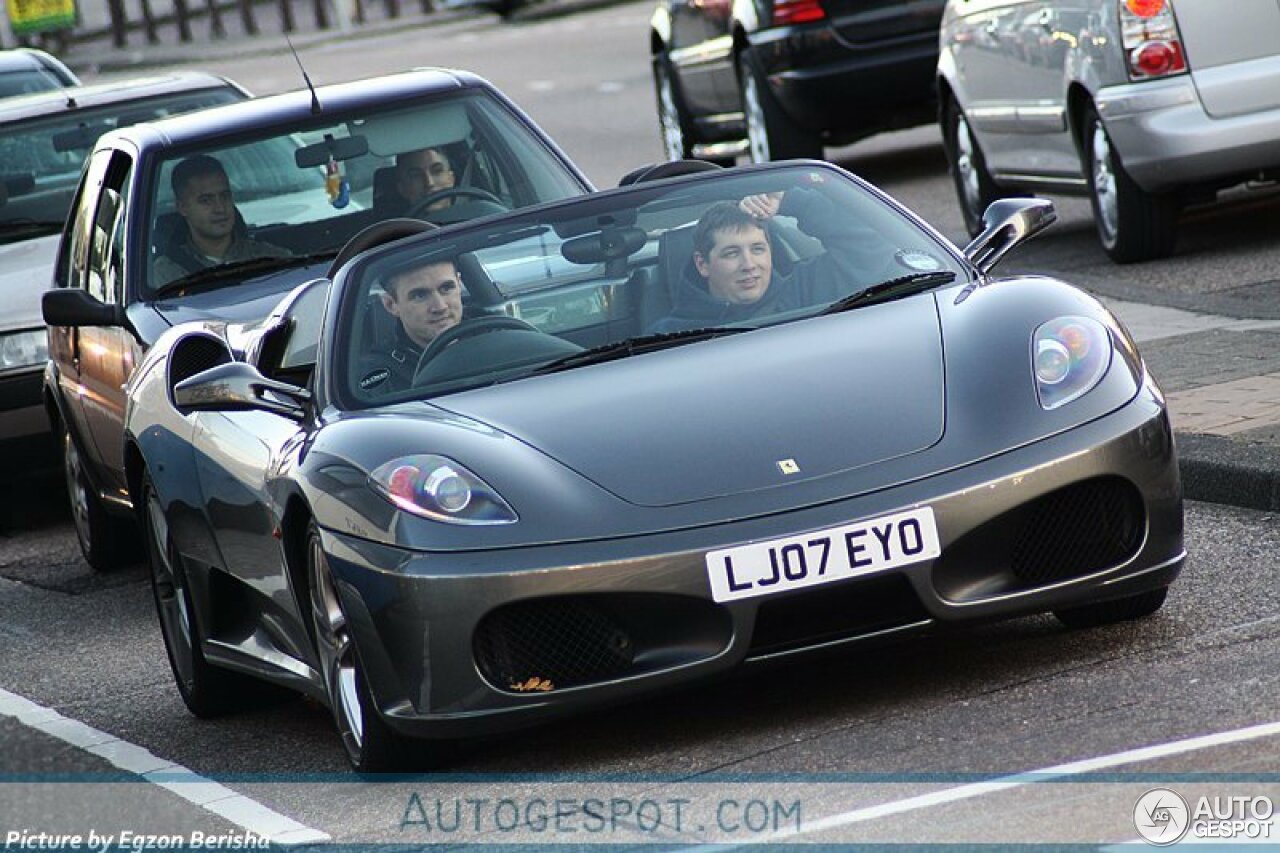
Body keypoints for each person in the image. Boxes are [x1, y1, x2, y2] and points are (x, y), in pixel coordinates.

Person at [651, 186, 885, 333]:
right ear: (702, 264)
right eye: (732, 253)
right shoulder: (668, 337)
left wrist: (791, 201)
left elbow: (872, 247)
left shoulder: (809, 289)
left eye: (758, 249)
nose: (749, 265)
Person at [152, 154, 288, 288]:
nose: (220, 208)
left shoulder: (272, 259)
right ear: (182, 207)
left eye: (224, 196)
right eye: (206, 200)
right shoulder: (166, 274)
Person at [358, 258, 465, 393]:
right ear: (391, 305)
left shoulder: (495, 334)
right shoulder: (378, 379)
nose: (440, 307)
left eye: (446, 288)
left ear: (459, 285)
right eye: (420, 295)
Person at [393, 146, 457, 214]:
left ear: (451, 178)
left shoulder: (469, 216)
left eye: (437, 171)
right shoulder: (398, 225)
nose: (429, 183)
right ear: (402, 189)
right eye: (417, 175)